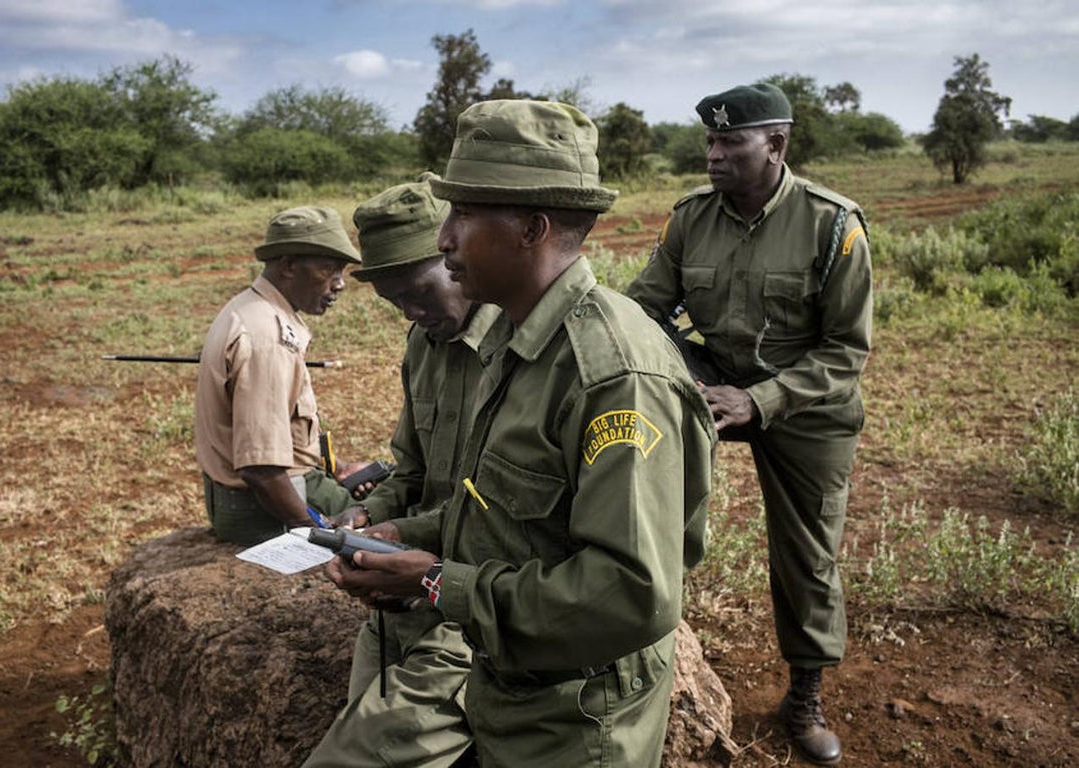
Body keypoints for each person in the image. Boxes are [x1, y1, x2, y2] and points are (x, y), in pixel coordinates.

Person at [321, 99, 716, 768]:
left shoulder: (614, 375)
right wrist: (405, 535)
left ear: (532, 228)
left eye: (464, 214)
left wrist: (439, 583)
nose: (444, 238)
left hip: (576, 719)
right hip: (508, 687)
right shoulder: (516, 339)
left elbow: (631, 594)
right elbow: (500, 511)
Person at [625, 83, 873, 766]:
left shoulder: (833, 224)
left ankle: (805, 695)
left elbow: (846, 352)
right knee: (631, 487)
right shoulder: (691, 219)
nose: (714, 155)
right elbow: (644, 309)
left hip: (806, 405)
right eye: (710, 140)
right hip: (711, 386)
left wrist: (759, 401)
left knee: (808, 552)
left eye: (731, 142)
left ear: (777, 145)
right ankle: (636, 646)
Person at [302, 175, 496, 767]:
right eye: (394, 302)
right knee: (361, 711)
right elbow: (411, 469)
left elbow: (496, 511)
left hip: (479, 607)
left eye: (419, 292)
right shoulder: (425, 343)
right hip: (408, 600)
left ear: (455, 256)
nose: (410, 312)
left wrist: (401, 540)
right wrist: (367, 515)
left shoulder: (521, 352)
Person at [194, 206, 365, 547]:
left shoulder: (248, 308)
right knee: (388, 519)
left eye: (341, 271)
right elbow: (261, 469)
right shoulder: (268, 338)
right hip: (267, 509)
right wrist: (315, 532)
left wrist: (338, 466)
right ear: (288, 266)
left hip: (263, 494)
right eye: (328, 269)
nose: (340, 284)